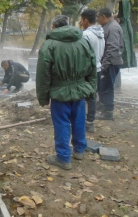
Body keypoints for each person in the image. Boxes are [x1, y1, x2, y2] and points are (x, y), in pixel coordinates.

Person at [36, 15, 96, 170]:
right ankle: (79, 151)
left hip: (60, 92)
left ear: (54, 27)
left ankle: (63, 158)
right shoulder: (83, 41)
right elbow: (92, 67)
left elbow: (43, 74)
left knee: (62, 123)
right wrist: (91, 89)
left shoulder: (49, 45)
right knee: (79, 120)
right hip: (80, 90)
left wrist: (43, 97)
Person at [96, 8, 124, 120]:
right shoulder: (109, 25)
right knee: (102, 86)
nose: (97, 19)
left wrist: (104, 65)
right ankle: (103, 108)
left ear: (103, 16)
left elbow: (112, 48)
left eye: (98, 17)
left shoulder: (112, 28)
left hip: (110, 63)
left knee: (107, 87)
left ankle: (107, 113)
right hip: (109, 62)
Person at [80, 9, 105, 133]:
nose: (81, 23)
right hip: (98, 67)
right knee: (93, 97)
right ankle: (90, 121)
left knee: (83, 96)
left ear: (85, 20)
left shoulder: (86, 35)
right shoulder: (100, 33)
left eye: (81, 20)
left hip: (88, 70)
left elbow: (82, 54)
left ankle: (84, 122)